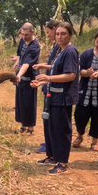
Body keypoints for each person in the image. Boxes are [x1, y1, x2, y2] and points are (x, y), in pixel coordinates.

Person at [34, 22, 79, 174]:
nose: (59, 37)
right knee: (53, 129)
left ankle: (63, 163)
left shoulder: (71, 51)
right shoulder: (60, 50)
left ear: (70, 35)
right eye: (58, 34)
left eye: (63, 34)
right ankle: (54, 157)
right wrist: (42, 80)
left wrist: (49, 79)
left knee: (62, 130)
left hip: (63, 98)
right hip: (54, 96)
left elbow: (70, 75)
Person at [73, 30, 98, 150]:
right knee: (80, 115)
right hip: (85, 92)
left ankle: (94, 141)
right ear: (94, 41)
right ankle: (79, 136)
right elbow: (79, 71)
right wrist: (87, 73)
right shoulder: (86, 54)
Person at [32, 20, 60, 154]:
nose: (47, 36)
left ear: (54, 29)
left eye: (48, 33)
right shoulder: (55, 46)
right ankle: (48, 143)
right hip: (49, 85)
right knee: (46, 118)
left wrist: (43, 66)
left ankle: (52, 146)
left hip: (55, 88)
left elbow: (59, 68)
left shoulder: (63, 48)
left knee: (51, 120)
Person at [13, 22, 40, 135]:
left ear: (32, 32)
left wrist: (19, 74)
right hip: (21, 78)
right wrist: (16, 63)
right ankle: (23, 126)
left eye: (26, 35)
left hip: (30, 79)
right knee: (20, 103)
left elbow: (27, 64)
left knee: (29, 104)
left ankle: (31, 128)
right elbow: (20, 56)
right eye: (22, 34)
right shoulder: (22, 41)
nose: (24, 37)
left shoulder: (35, 46)